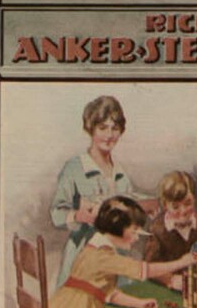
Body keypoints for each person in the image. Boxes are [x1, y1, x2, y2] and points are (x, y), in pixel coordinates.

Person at [47, 196, 195, 308]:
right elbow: (144, 270)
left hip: (69, 307)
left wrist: (139, 304)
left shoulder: (95, 248)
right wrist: (181, 262)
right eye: (134, 231)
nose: (137, 238)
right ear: (117, 228)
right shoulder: (102, 256)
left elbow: (107, 293)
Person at [50, 96, 135, 288]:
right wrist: (78, 215)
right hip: (83, 259)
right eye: (103, 128)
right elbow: (56, 213)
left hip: (115, 259)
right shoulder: (74, 168)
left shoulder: (121, 174)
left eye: (115, 128)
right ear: (91, 129)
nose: (109, 135)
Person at [144, 171, 197, 291]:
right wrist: (170, 279)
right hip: (171, 289)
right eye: (176, 207)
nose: (183, 211)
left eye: (188, 203)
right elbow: (150, 266)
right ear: (165, 205)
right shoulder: (157, 230)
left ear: (194, 199)